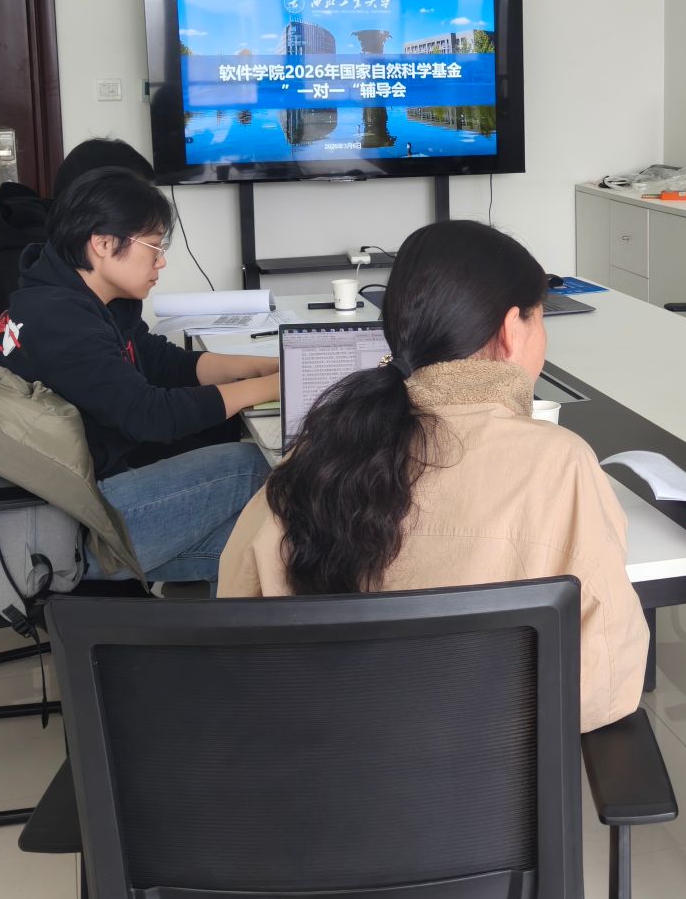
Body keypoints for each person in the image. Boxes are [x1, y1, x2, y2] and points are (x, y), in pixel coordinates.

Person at [219, 219, 649, 732]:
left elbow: (235, 631)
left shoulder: (320, 451)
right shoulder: (560, 464)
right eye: (540, 318)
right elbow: (604, 684)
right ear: (511, 330)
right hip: (487, 776)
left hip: (315, 767)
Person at [0, 168, 277, 584]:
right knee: (254, 466)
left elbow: (162, 362)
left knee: (268, 544)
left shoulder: (86, 295)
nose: (161, 261)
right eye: (154, 247)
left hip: (88, 490)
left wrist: (259, 367)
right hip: (69, 524)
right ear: (103, 244)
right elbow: (150, 415)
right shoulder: (58, 318)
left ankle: (236, 627)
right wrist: (272, 387)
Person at [0, 137, 156, 344]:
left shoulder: (85, 260)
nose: (149, 214)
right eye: (138, 204)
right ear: (97, 200)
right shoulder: (24, 275)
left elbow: (135, 346)